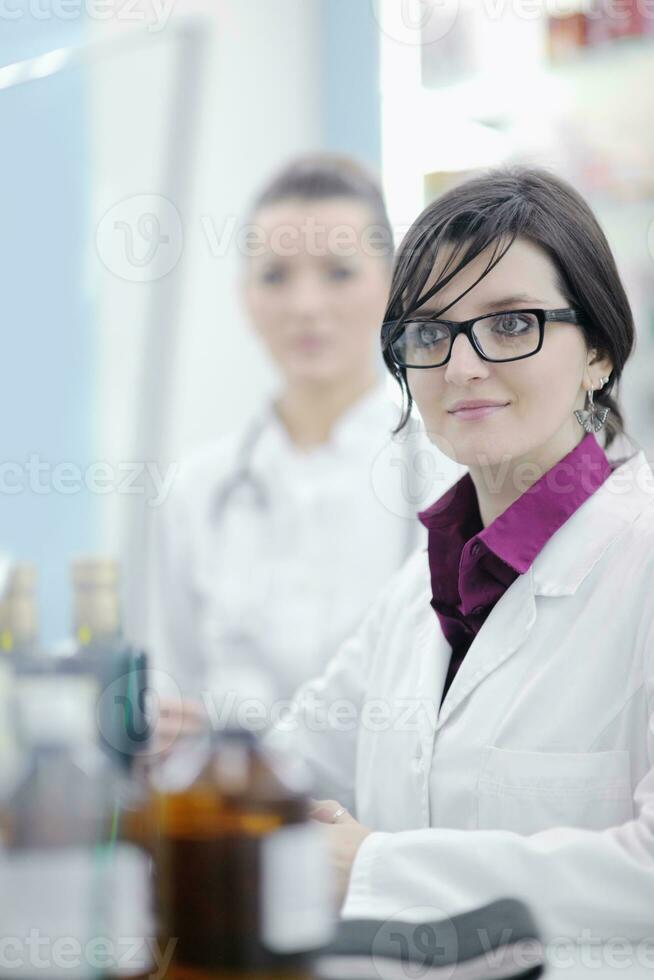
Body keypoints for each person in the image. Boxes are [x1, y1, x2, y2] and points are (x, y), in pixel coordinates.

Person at [269, 167, 654, 941]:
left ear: (600, 354)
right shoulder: (423, 588)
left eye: (512, 323)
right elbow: (291, 766)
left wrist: (373, 869)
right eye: (430, 332)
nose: (463, 365)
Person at [152, 154, 461, 714]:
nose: (306, 306)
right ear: (245, 297)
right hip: (236, 800)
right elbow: (176, 689)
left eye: (339, 272)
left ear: (391, 288)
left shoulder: (452, 475)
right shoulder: (197, 490)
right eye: (275, 276)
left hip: (383, 802)